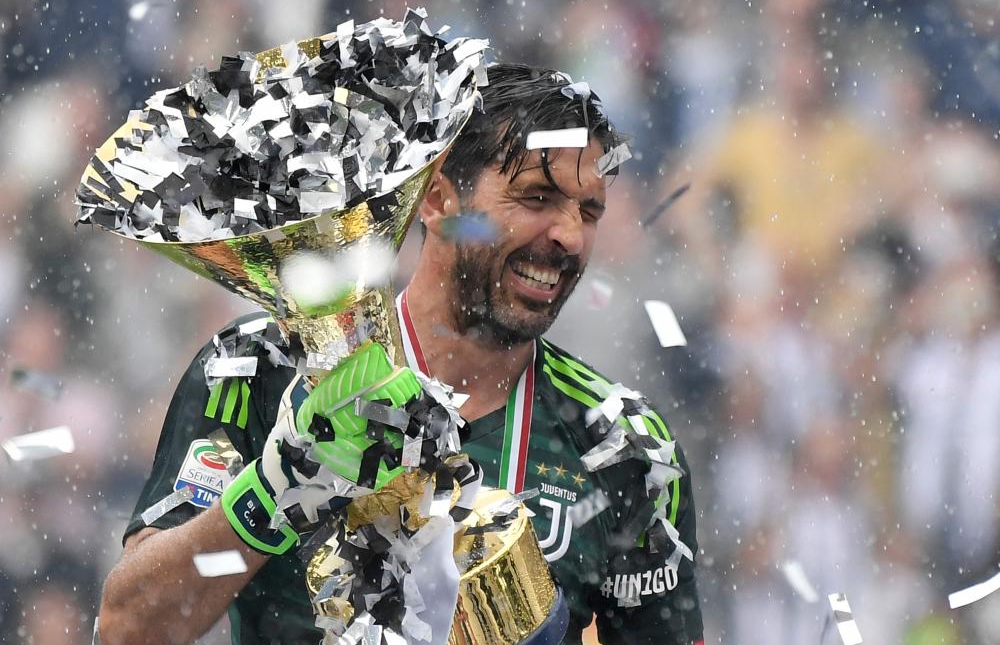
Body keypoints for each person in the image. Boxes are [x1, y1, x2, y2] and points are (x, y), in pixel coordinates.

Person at [97, 63, 704, 645]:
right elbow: (126, 628)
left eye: (588, 211)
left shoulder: (624, 447)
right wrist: (276, 488)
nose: (569, 235)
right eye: (537, 197)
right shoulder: (263, 368)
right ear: (439, 201)